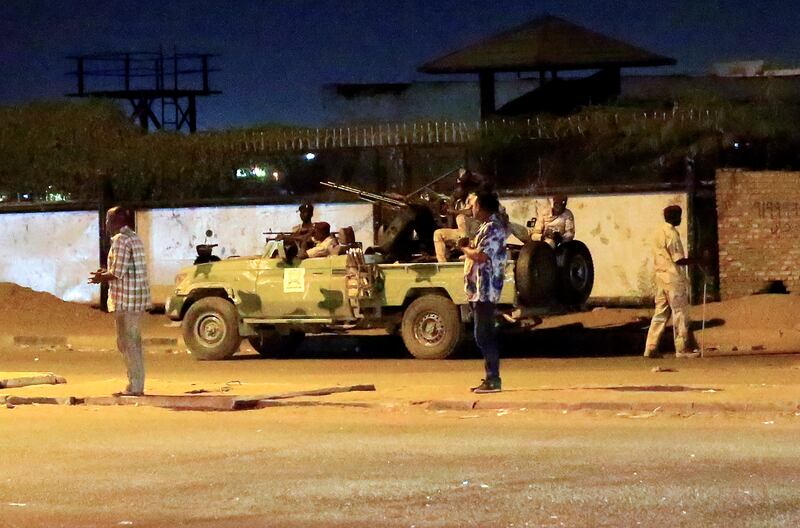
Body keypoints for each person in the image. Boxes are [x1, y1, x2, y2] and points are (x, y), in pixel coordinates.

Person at [88, 206, 152, 396]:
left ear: (117, 221)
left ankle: (135, 386)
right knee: (133, 343)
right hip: (136, 299)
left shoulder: (120, 241)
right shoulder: (134, 238)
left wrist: (100, 277)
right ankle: (136, 384)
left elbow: (117, 272)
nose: (106, 224)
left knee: (126, 343)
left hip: (125, 300)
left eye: (108, 219)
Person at [459, 191, 508, 393]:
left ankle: (493, 379)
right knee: (483, 334)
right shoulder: (486, 227)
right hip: (480, 289)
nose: (472, 208)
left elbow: (480, 256)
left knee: (483, 335)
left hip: (486, 290)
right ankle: (490, 377)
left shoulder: (494, 228)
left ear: (482, 207)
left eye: (475, 205)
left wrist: (464, 249)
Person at [644, 205, 701, 359]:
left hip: (660, 278)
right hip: (673, 278)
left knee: (660, 314)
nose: (680, 219)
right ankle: (682, 348)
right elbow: (679, 259)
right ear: (674, 217)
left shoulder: (658, 232)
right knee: (680, 313)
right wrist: (696, 260)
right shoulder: (672, 234)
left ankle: (650, 347)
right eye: (679, 216)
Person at [433, 168, 481, 262]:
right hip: (461, 234)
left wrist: (455, 212)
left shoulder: (474, 197)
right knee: (438, 233)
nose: (455, 190)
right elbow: (450, 221)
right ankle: (442, 263)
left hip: (474, 233)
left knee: (460, 217)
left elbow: (471, 212)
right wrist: (448, 208)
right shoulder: (457, 201)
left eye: (458, 187)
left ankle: (468, 252)